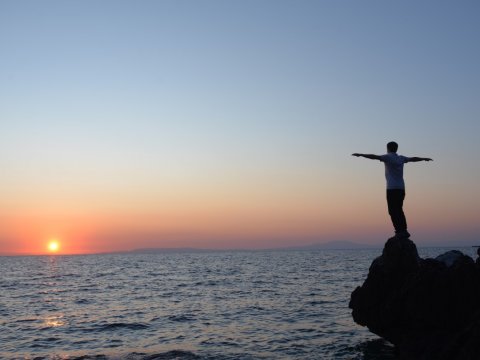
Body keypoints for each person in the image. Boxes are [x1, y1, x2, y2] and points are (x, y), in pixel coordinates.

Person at [352, 141, 432, 239]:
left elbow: (374, 156)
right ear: (396, 148)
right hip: (401, 188)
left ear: (388, 148)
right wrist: (424, 159)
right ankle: (404, 230)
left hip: (391, 189)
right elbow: (413, 159)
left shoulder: (388, 157)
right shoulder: (401, 158)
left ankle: (399, 231)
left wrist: (361, 155)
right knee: (399, 209)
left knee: (392, 210)